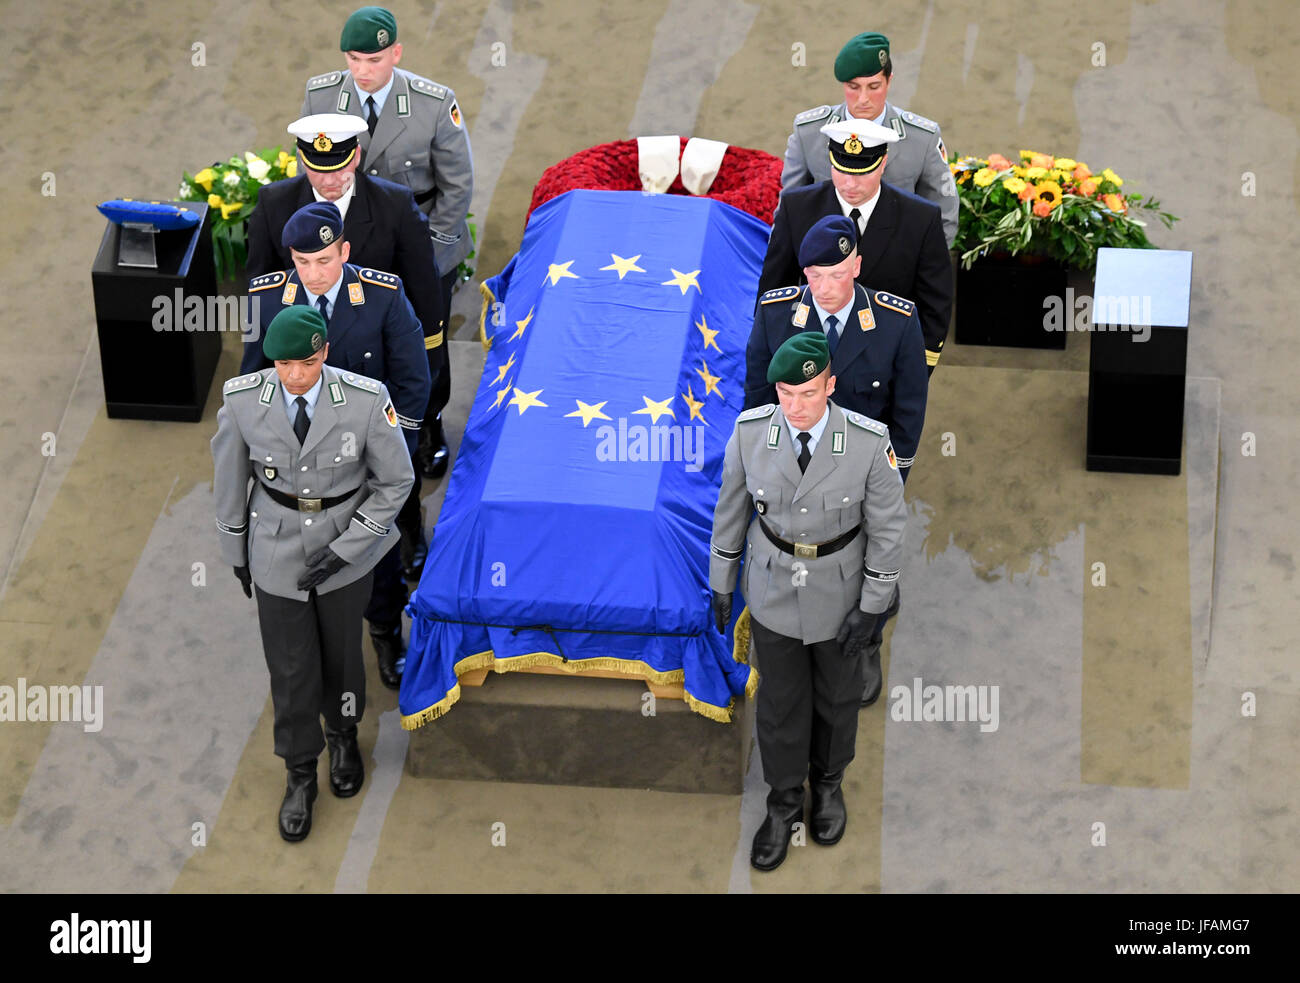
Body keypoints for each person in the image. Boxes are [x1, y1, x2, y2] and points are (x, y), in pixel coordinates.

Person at [211, 306, 414, 841]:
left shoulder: (367, 401)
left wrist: (351, 548)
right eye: (282, 364)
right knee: (290, 666)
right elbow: (230, 482)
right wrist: (237, 555)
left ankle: (343, 735)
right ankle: (299, 772)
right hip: (275, 550)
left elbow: (396, 481)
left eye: (303, 363)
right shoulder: (242, 400)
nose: (293, 375)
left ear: (322, 353)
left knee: (344, 656)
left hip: (345, 547)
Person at [709, 331, 906, 871]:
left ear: (830, 386)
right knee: (778, 704)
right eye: (786, 395)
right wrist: (722, 582)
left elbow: (889, 530)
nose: (796, 407)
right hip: (773, 587)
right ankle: (783, 801)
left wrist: (873, 604)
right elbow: (730, 510)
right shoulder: (751, 435)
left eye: (808, 394)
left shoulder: (867, 443)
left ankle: (829, 784)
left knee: (838, 700)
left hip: (840, 592)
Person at [246, 113, 445, 579]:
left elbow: (420, 285)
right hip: (305, 376)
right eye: (318, 169)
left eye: (339, 167)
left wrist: (411, 423)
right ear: (302, 161)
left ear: (355, 156)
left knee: (394, 482)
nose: (330, 180)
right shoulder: (276, 204)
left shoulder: (392, 205)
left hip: (377, 355)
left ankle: (409, 538)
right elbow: (261, 286)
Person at [242, 200, 429, 689]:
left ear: (344, 251)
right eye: (303, 263)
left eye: (324, 261)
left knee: (377, 558)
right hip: (298, 457)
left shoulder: (382, 296)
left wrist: (395, 455)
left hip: (365, 464)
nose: (314, 273)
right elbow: (250, 385)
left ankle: (386, 632)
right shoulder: (266, 301)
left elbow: (411, 383)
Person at [301, 5, 474, 481]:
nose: (363, 71)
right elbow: (312, 178)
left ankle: (429, 422)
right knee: (354, 333)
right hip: (350, 244)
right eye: (354, 60)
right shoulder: (321, 97)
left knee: (427, 341)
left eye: (374, 60)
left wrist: (432, 254)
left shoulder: (433, 103)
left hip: (418, 242)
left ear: (395, 53)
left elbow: (457, 185)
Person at [761, 118, 953, 375]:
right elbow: (774, 291)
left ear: (883, 163)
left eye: (863, 172)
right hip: (806, 366)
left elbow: (935, 306)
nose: (851, 184)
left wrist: (914, 370)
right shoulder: (797, 209)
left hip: (883, 368)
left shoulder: (919, 219)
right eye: (842, 170)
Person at [781, 31, 958, 248]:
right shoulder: (809, 133)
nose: (863, 99)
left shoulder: (922, 138)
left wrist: (925, 267)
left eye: (874, 87)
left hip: (898, 268)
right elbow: (788, 213)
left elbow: (944, 213)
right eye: (853, 87)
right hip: (825, 268)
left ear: (889, 81)